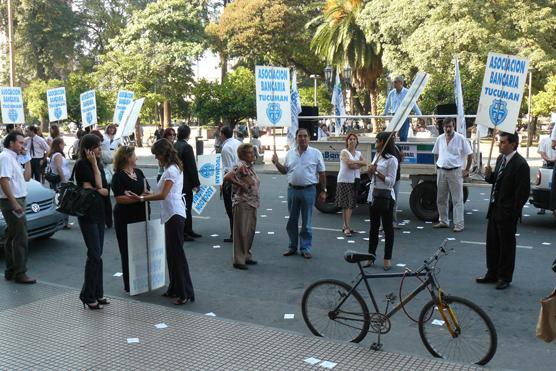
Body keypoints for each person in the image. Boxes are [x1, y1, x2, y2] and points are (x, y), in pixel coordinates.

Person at [128, 139, 195, 305]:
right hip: (171, 213)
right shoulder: (170, 168)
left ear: (164, 154)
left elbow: (163, 195)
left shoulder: (171, 170)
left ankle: (184, 292)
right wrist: (147, 193)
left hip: (174, 214)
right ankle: (176, 288)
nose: (156, 158)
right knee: (172, 255)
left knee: (177, 255)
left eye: (157, 155)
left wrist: (142, 198)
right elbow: (161, 192)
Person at [476, 132, 530, 290]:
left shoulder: (520, 165)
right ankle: (492, 272)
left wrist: (512, 211)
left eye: (503, 142)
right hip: (494, 209)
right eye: (499, 142)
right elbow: (497, 181)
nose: (500, 145)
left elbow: (523, 193)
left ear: (513, 144)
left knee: (506, 246)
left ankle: (504, 277)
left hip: (507, 213)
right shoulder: (501, 159)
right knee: (492, 243)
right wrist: (489, 176)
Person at [272, 128, 326, 259]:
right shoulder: (290, 153)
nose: (302, 138)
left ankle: (305, 247)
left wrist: (323, 191)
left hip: (309, 190)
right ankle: (292, 246)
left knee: (306, 222)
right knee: (292, 221)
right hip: (292, 191)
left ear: (308, 138)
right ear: (296, 138)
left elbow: (322, 173)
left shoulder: (316, 153)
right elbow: (285, 171)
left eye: (305, 136)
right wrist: (276, 163)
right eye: (300, 136)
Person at [74, 134, 110, 309]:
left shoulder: (100, 164)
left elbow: (104, 188)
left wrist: (99, 187)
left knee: (98, 255)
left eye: (100, 146)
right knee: (94, 255)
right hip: (87, 215)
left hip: (100, 214)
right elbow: (97, 187)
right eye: (96, 147)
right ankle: (88, 296)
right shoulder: (82, 165)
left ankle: (98, 293)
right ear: (87, 149)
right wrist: (95, 169)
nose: (99, 149)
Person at [111, 146, 150, 293]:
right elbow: (120, 198)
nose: (137, 157)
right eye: (134, 154)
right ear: (127, 157)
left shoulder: (139, 172)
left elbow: (148, 191)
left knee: (141, 249)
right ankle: (130, 283)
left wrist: (140, 196)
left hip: (141, 215)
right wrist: (139, 198)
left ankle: (142, 280)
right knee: (127, 251)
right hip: (125, 218)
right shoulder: (119, 176)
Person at [0, 132, 34, 284]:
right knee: (21, 236)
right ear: (11, 143)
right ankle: (20, 273)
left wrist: (26, 158)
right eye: (20, 143)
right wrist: (14, 203)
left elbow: (27, 177)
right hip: (12, 201)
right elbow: (4, 181)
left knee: (12, 235)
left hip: (17, 199)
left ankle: (11, 269)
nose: (23, 145)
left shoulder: (14, 158)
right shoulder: (5, 158)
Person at [432, 118, 473, 232]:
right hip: (442, 171)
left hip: (455, 171)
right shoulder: (440, 138)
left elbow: (470, 154)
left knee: (457, 199)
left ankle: (459, 224)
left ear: (453, 126)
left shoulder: (460, 138)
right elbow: (436, 153)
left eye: (450, 126)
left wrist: (467, 170)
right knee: (441, 198)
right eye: (446, 127)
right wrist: (438, 165)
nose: (448, 129)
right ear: (443, 127)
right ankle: (443, 221)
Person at [365, 132, 398, 270]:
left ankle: (387, 258)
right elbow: (370, 176)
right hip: (373, 196)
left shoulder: (392, 160)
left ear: (384, 143)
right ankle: (370, 256)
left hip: (386, 198)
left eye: (377, 141)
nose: (375, 143)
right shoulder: (376, 157)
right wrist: (370, 171)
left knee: (388, 228)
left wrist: (377, 172)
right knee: (373, 228)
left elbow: (391, 182)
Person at [224, 143, 260, 270]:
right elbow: (227, 176)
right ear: (243, 155)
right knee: (241, 233)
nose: (253, 154)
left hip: (252, 203)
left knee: (249, 232)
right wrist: (240, 185)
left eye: (253, 152)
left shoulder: (249, 167)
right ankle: (239, 260)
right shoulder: (240, 165)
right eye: (250, 152)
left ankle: (246, 256)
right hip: (243, 203)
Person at [174, 125, 201, 241]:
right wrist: (196, 183)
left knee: (182, 207)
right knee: (186, 207)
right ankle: (186, 231)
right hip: (185, 182)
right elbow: (191, 166)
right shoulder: (187, 147)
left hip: (177, 180)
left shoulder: (175, 145)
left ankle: (187, 230)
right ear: (188, 134)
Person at [335, 133, 366, 236]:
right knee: (346, 204)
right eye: (350, 139)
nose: (352, 141)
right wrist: (358, 163)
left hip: (355, 180)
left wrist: (355, 162)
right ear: (347, 141)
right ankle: (347, 227)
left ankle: (345, 225)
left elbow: (364, 162)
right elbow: (349, 165)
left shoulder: (358, 153)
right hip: (344, 180)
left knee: (350, 204)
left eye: (354, 139)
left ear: (357, 142)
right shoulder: (344, 152)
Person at [220, 126, 242, 243]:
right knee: (237, 207)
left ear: (223, 135)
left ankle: (234, 234)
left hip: (231, 181)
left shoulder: (226, 148)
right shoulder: (238, 143)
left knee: (230, 208)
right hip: (240, 177)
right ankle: (238, 232)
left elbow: (229, 168)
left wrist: (225, 182)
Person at [384, 76, 422, 142]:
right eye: (393, 82)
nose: (394, 84)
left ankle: (403, 151)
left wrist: (420, 115)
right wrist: (384, 114)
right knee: (389, 136)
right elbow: (387, 105)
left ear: (401, 83)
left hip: (404, 116)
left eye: (395, 82)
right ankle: (392, 150)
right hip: (394, 116)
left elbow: (413, 105)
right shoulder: (391, 93)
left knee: (403, 136)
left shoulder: (408, 92)